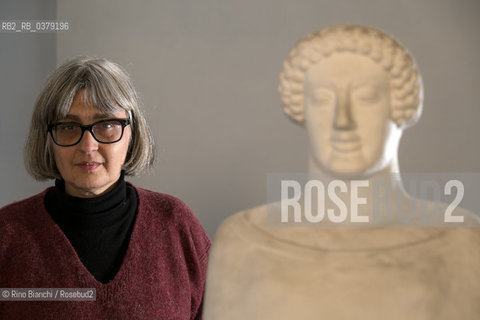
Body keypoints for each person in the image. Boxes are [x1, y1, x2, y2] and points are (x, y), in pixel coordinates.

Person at [203, 25, 480, 319]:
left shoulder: (459, 241)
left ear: (400, 105)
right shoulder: (243, 241)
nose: (342, 121)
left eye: (366, 97)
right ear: (301, 108)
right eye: (322, 99)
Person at [0, 57, 210, 319]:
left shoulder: (176, 224)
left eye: (107, 125)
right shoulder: (7, 234)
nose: (88, 146)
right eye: (68, 126)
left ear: (132, 133)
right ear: (47, 139)